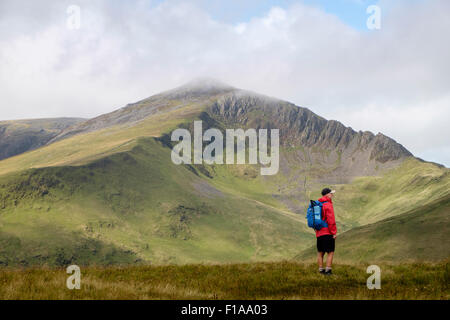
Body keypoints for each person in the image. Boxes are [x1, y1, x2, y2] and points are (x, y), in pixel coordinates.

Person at [316, 188, 337, 275]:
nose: (332, 195)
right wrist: (334, 232)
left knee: (320, 252)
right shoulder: (327, 204)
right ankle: (328, 271)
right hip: (327, 232)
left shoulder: (318, 204)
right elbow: (331, 219)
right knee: (330, 252)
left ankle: (321, 270)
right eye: (331, 193)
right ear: (327, 194)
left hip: (319, 232)